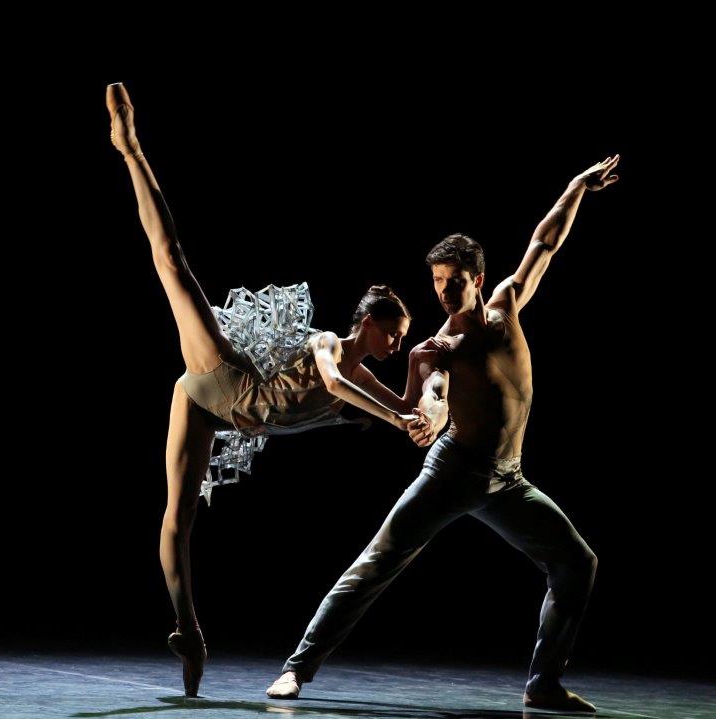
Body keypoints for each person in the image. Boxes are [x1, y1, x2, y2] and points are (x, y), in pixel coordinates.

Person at [107, 82, 435, 697]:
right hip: (221, 378)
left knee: (179, 522)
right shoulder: (329, 346)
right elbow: (339, 384)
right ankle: (130, 148)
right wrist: (395, 420)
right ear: (367, 323)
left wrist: (424, 373)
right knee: (174, 263)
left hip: (217, 414)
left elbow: (409, 410)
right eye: (394, 334)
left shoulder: (367, 382)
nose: (394, 345)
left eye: (401, 338)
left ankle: (189, 631)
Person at [266, 156, 621, 714]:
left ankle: (543, 683)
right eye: (436, 283)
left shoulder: (506, 308)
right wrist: (429, 413)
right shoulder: (436, 348)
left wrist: (577, 187)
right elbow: (430, 393)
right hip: (453, 471)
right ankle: (295, 669)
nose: (444, 293)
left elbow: (544, 244)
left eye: (453, 282)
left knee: (579, 563)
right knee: (378, 563)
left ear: (477, 280)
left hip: (508, 480)